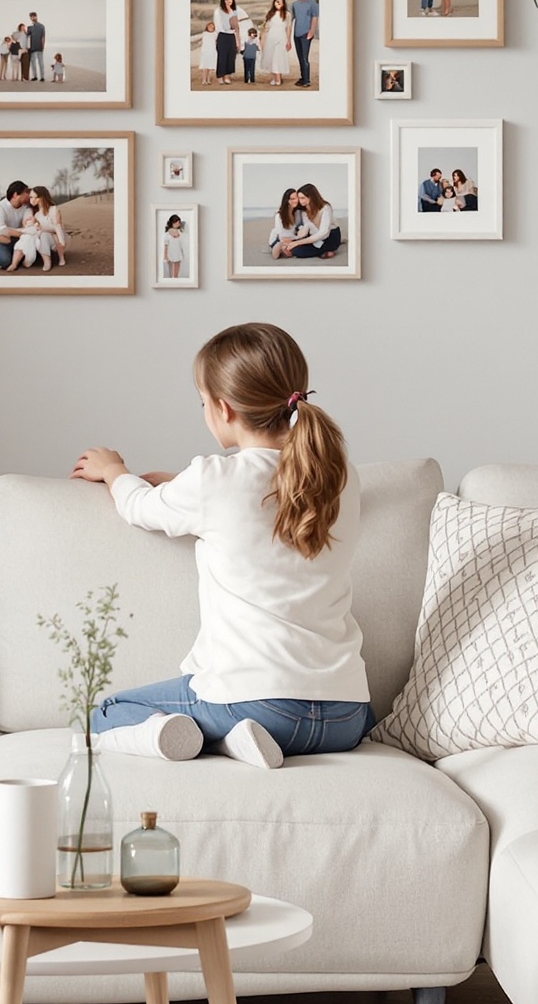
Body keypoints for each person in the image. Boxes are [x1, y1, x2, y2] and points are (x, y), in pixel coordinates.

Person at [73, 322, 370, 771]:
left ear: (223, 408)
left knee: (105, 714)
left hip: (258, 704)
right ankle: (239, 742)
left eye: (202, 402)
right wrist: (182, 483)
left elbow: (139, 506)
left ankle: (209, 737)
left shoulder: (214, 480)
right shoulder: (341, 477)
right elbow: (270, 489)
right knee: (266, 718)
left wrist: (115, 469)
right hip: (347, 717)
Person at [0, 180, 33, 269]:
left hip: (17, 238)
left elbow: (28, 225)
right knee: (5, 261)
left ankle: (14, 253)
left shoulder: (26, 207)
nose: (28, 195)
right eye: (25, 192)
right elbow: (1, 230)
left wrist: (22, 232)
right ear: (15, 194)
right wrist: (24, 233)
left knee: (33, 256)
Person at [259, 0, 294, 88]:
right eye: (277, 1)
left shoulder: (287, 14)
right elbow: (266, 27)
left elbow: (288, 28)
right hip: (270, 38)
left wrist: (288, 40)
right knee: (271, 58)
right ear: (274, 2)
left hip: (281, 38)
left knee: (278, 58)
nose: (278, 3)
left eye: (280, 2)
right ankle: (276, 78)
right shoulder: (270, 13)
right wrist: (262, 38)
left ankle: (277, 80)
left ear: (283, 4)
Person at [291, 0, 319, 88]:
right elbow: (291, 18)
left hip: (306, 34)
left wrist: (311, 32)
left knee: (304, 57)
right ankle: (303, 77)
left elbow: (314, 18)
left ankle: (306, 80)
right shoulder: (294, 4)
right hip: (296, 34)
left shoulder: (313, 3)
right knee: (300, 57)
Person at [213, 0, 241, 83]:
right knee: (222, 56)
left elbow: (236, 27)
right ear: (223, 0)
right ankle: (221, 76)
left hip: (231, 36)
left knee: (231, 56)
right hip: (222, 35)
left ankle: (227, 76)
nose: (229, 1)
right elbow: (218, 25)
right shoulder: (218, 11)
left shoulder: (234, 11)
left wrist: (237, 41)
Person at [161, 214, 189, 282]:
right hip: (170, 253)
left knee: (176, 269)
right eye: (175, 222)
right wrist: (165, 256)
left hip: (178, 252)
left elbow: (182, 242)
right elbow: (165, 245)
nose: (177, 223)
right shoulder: (167, 234)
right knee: (170, 270)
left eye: (178, 222)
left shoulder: (180, 232)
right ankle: (173, 281)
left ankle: (175, 280)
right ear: (171, 223)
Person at [25, 10, 47, 83]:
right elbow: (27, 37)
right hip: (32, 48)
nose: (33, 18)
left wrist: (43, 46)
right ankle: (35, 76)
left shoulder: (41, 26)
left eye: (34, 16)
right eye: (31, 17)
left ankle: (42, 77)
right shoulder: (29, 27)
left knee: (41, 62)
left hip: (39, 47)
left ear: (36, 17)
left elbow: (43, 37)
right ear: (30, 18)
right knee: (33, 63)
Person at [240, 17, 260, 86]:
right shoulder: (246, 39)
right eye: (252, 33)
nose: (253, 35)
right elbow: (244, 44)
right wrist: (250, 38)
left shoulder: (256, 40)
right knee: (246, 68)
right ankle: (246, 80)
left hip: (253, 57)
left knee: (252, 69)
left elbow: (258, 47)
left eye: (254, 33)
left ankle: (252, 80)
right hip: (246, 56)